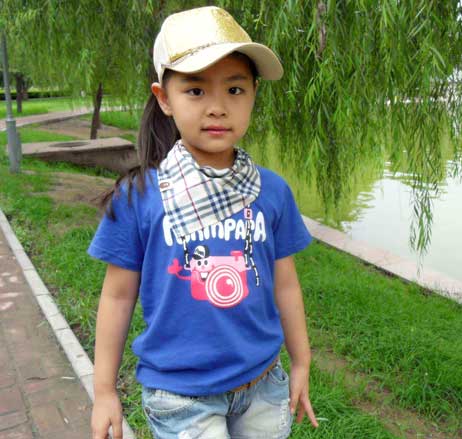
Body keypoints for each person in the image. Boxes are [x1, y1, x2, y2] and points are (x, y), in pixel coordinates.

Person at [89, 6, 318, 439]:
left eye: (235, 89)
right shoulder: (139, 197)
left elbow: (286, 284)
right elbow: (117, 297)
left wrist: (301, 361)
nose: (217, 108)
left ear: (253, 94)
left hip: (263, 382)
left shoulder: (271, 191)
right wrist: (104, 391)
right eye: (195, 90)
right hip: (180, 393)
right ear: (164, 98)